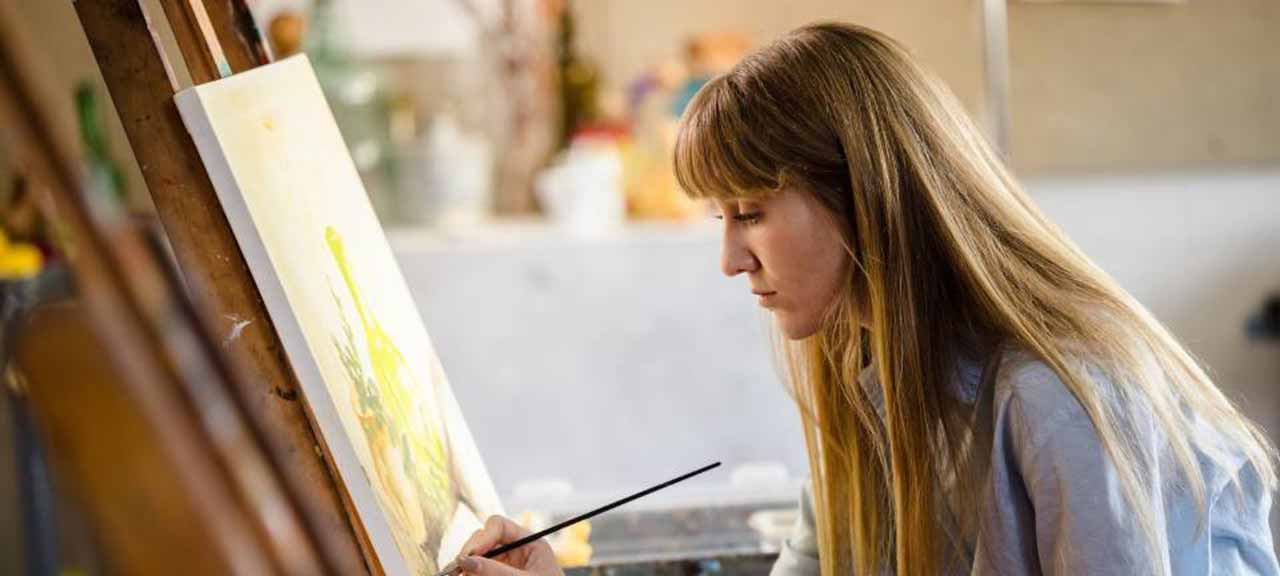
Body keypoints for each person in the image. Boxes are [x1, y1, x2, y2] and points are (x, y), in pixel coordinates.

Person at [452, 23, 1279, 575]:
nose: (731, 261)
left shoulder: (1058, 394)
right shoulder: (864, 374)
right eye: (720, 219)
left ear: (866, 198)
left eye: (750, 214)